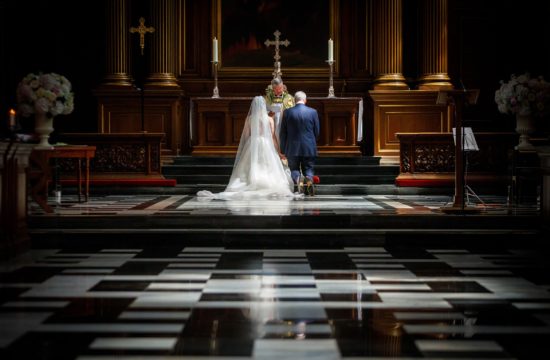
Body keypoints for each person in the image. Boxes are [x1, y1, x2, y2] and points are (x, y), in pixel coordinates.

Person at [197, 96, 296, 200]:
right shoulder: (270, 119)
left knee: (251, 165)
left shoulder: (249, 119)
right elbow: (272, 136)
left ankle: (251, 181)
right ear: (264, 106)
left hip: (252, 143)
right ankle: (267, 184)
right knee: (267, 165)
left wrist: (245, 148)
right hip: (266, 144)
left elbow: (246, 135)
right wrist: (277, 151)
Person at [279, 91, 320, 196]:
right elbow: (317, 131)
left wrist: (282, 149)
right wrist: (312, 141)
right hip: (309, 146)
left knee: (294, 168)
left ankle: (298, 182)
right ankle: (309, 179)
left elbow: (283, 133)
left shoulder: (287, 112)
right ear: (305, 100)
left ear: (294, 100)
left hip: (292, 147)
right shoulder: (313, 112)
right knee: (309, 167)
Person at [264, 77, 295, 143]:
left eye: (280, 88)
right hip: (272, 124)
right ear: (273, 88)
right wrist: (269, 113)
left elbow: (294, 112)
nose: (279, 90)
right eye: (276, 89)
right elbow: (263, 112)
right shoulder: (268, 97)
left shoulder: (289, 98)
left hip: (285, 124)